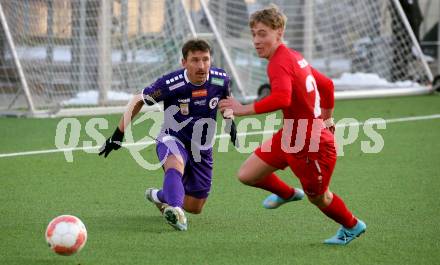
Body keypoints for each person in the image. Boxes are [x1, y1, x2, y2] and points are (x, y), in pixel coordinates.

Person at [218, 5, 366, 245]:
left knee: (320, 198)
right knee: (247, 175)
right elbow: (326, 84)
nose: (256, 40)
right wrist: (327, 119)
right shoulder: (294, 57)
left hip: (312, 146)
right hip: (291, 135)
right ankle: (287, 194)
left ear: (279, 32)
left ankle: (352, 225)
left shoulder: (279, 63)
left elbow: (281, 98)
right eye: (254, 33)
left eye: (263, 33)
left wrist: (241, 109)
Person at [99, 39, 237, 231]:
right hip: (172, 137)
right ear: (184, 63)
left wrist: (229, 120)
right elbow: (138, 100)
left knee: (195, 207)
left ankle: (160, 196)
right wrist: (118, 133)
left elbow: (225, 100)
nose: (201, 66)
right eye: (195, 60)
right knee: (175, 163)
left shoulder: (220, 79)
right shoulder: (171, 83)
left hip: (202, 146)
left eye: (205, 60)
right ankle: (176, 212)